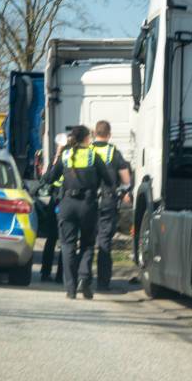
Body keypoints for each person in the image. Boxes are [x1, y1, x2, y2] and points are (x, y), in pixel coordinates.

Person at [43, 125, 112, 299]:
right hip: (87, 205)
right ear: (86, 139)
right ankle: (84, 278)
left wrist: (56, 160)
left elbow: (50, 178)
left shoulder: (65, 156)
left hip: (67, 205)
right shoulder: (92, 155)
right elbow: (108, 179)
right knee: (88, 244)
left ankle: (71, 288)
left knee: (67, 246)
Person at [91, 120, 132, 291]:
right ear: (109, 135)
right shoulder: (114, 153)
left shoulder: (87, 151)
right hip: (108, 201)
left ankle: (82, 278)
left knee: (86, 242)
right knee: (104, 242)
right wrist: (124, 193)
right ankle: (102, 282)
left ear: (94, 133)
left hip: (88, 201)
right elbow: (126, 179)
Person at [40, 134, 68, 283]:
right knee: (64, 239)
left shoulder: (61, 159)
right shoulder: (70, 158)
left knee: (52, 238)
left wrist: (56, 157)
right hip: (65, 200)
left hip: (57, 200)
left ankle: (46, 273)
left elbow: (48, 178)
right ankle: (59, 276)